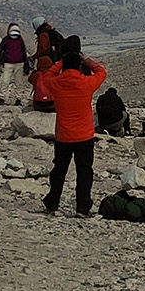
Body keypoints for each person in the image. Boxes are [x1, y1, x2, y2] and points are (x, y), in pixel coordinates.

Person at [40, 50, 107, 216]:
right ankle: (83, 207)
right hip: (84, 135)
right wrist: (87, 61)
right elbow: (101, 71)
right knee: (84, 171)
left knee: (59, 170)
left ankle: (52, 202)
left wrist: (60, 63)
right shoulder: (86, 83)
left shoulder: (56, 83)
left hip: (63, 135)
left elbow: (47, 75)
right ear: (79, 66)